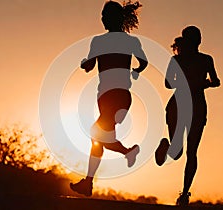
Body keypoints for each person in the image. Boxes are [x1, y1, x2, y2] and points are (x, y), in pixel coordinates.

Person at [70, 1, 147, 197]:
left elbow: (89, 66)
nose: (102, 19)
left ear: (113, 18)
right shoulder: (131, 41)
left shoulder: (98, 41)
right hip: (116, 96)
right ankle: (90, 182)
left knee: (96, 136)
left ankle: (92, 180)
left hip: (112, 96)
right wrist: (136, 70)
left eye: (105, 16)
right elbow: (143, 62)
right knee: (98, 138)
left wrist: (83, 63)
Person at [155, 26, 220, 205]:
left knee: (187, 152)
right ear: (198, 41)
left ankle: (184, 194)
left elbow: (169, 84)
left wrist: (194, 83)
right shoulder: (194, 60)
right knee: (188, 152)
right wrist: (203, 83)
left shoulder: (182, 60)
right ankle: (183, 193)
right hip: (189, 106)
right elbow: (215, 81)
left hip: (186, 106)